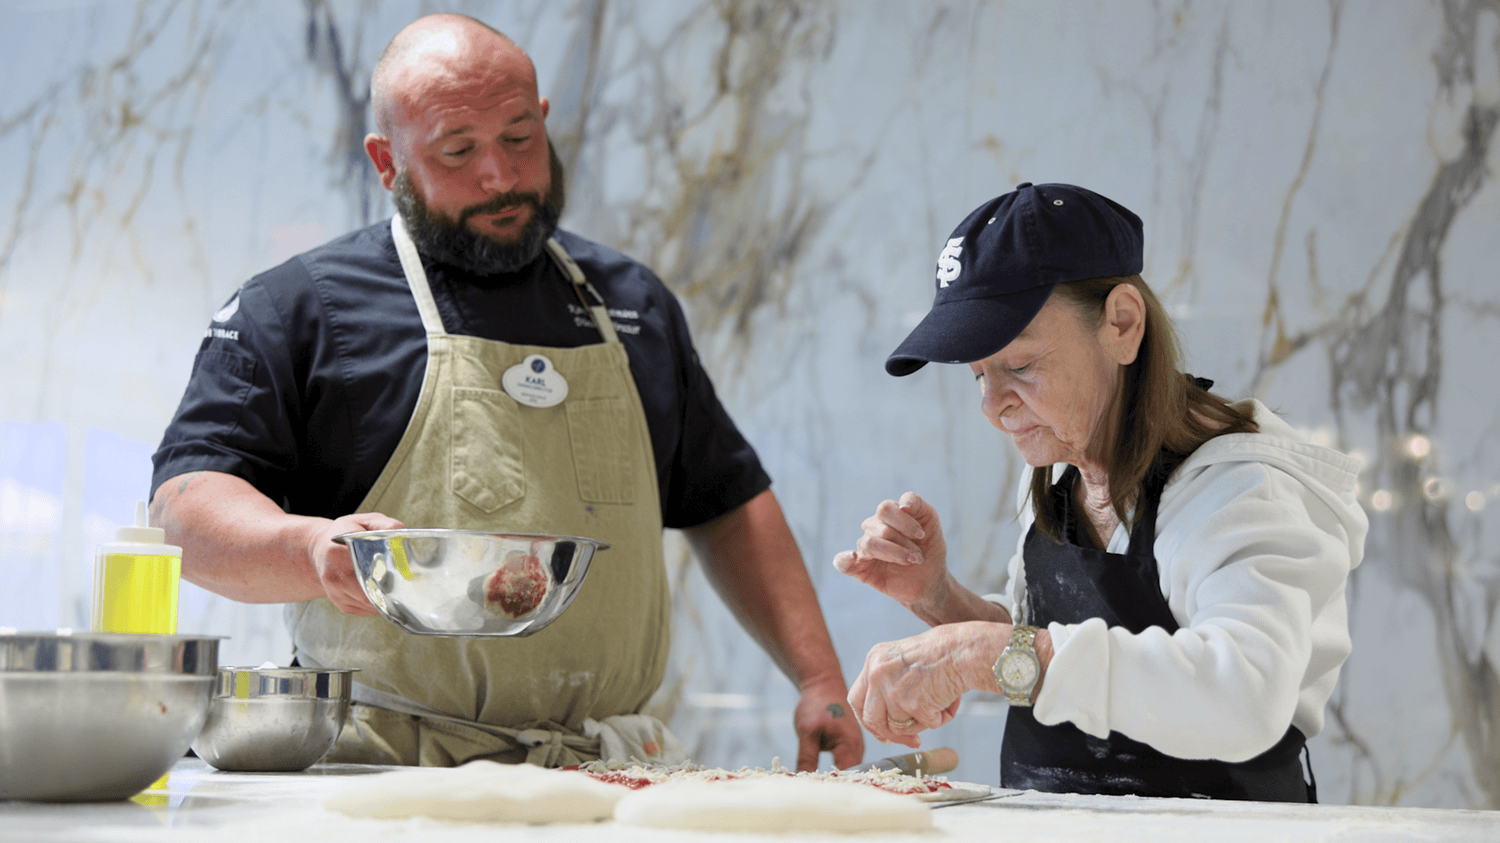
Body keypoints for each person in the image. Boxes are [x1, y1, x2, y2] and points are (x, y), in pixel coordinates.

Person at [150, 13, 862, 772]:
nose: (499, 175)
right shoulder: (300, 308)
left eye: (520, 138)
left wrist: (818, 676)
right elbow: (184, 507)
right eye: (458, 150)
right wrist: (309, 549)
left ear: (545, 121)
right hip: (383, 775)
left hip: (611, 775)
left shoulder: (634, 306)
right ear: (387, 162)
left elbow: (728, 504)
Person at [834, 182, 1366, 801]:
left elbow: (1243, 693)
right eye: (979, 374)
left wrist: (977, 655)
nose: (992, 406)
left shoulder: (1242, 488)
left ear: (1121, 323)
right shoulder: (1061, 472)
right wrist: (941, 602)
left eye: (1021, 366)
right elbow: (1051, 650)